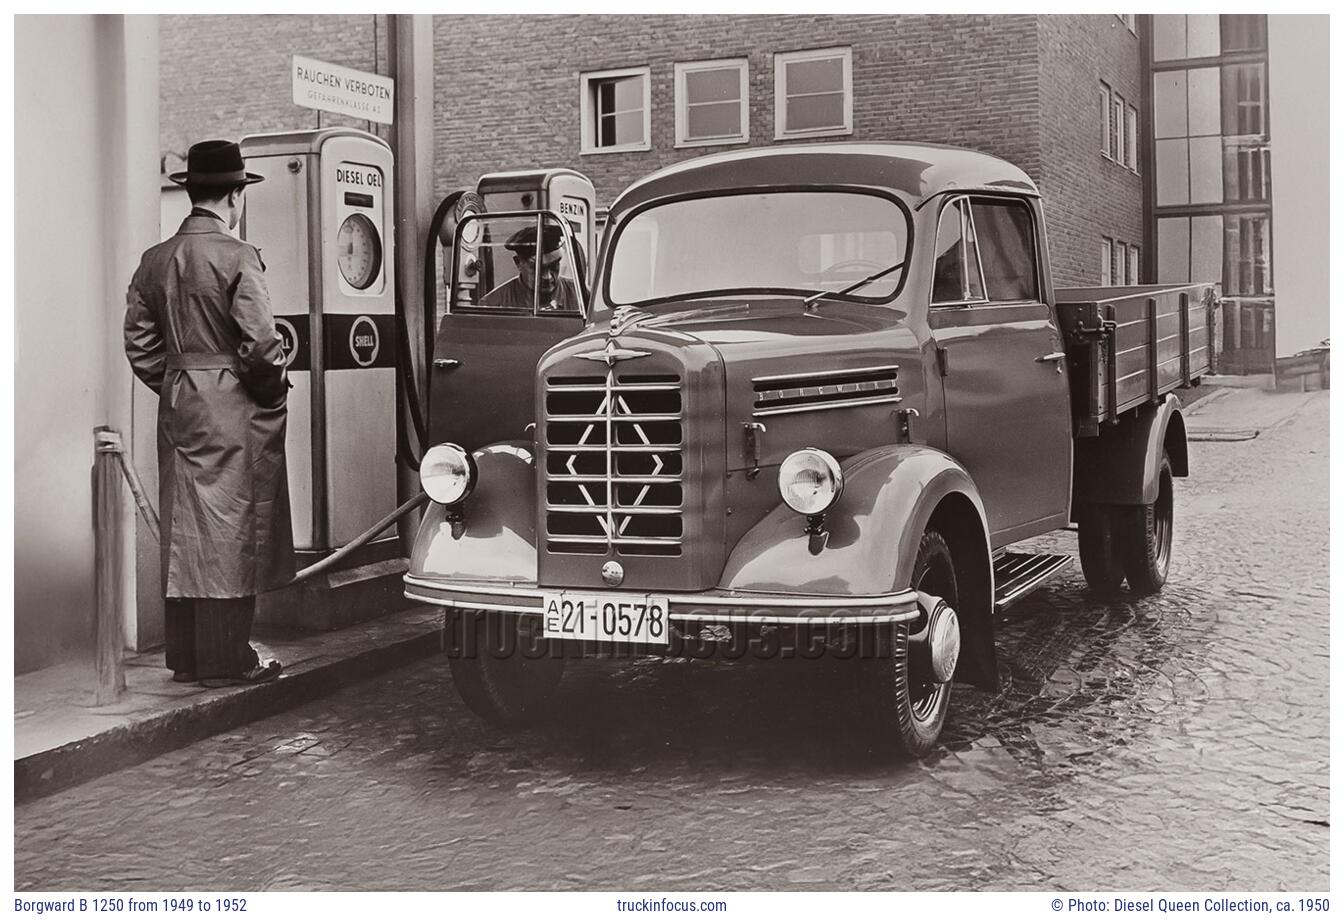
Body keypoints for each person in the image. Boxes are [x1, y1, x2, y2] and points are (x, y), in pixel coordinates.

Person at [124, 139, 292, 685]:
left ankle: (188, 658)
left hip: (180, 403)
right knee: (231, 524)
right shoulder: (240, 256)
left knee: (186, 524)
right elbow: (262, 345)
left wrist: (179, 381)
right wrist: (266, 393)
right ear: (236, 196)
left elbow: (141, 345)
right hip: (232, 405)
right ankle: (228, 659)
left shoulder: (155, 260)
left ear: (192, 192)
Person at [480, 223, 581, 312]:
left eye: (554, 265)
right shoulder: (493, 304)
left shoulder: (581, 296)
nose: (548, 277)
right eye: (537, 269)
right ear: (518, 263)